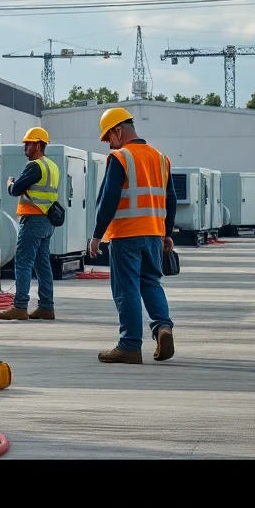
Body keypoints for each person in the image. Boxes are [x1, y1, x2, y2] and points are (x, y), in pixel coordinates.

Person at [87, 107, 178, 365]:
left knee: (125, 287)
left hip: (126, 234)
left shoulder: (121, 158)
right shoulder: (161, 158)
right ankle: (162, 327)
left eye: (108, 138)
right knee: (150, 282)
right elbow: (171, 198)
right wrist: (167, 232)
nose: (108, 144)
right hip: (153, 234)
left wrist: (97, 234)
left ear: (118, 130)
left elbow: (108, 199)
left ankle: (129, 345)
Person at [0, 127, 60, 321]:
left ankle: (20, 306)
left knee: (23, 261)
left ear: (38, 145)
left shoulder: (35, 166)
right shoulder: (53, 166)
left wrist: (9, 183)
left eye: (28, 144)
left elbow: (16, 190)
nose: (25, 147)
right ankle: (46, 307)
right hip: (47, 221)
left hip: (32, 219)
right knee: (43, 265)